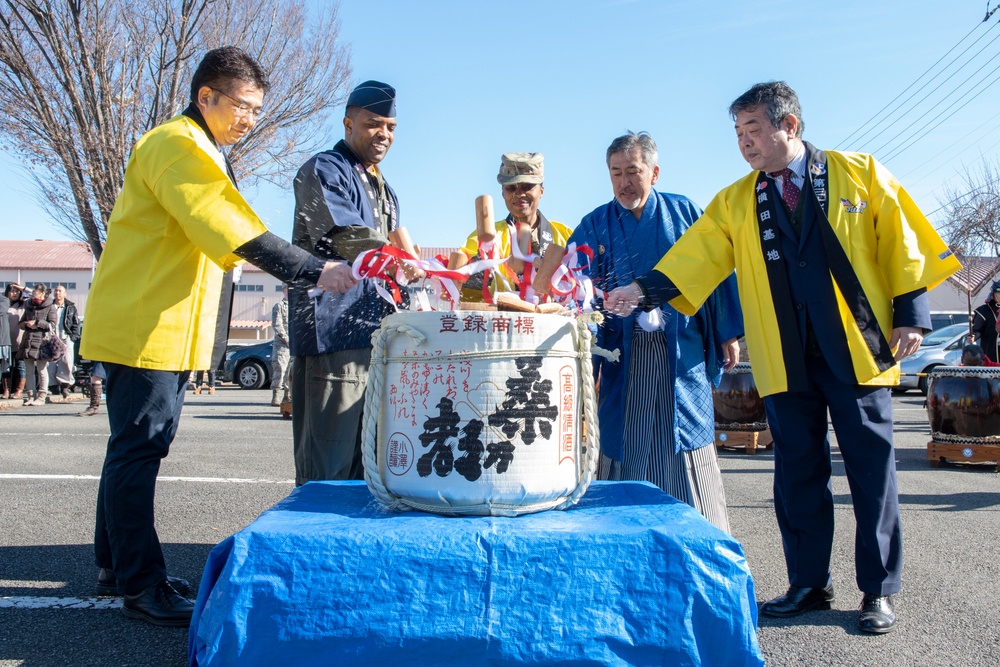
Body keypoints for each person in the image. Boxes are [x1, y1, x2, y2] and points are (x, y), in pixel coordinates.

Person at [606, 82, 961, 634]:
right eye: (739, 134)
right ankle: (808, 583)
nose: (745, 144)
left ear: (789, 125)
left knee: (870, 469)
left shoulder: (858, 173)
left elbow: (900, 236)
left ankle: (877, 590)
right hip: (783, 351)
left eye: (754, 130)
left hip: (856, 345)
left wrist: (910, 312)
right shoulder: (736, 199)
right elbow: (699, 253)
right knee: (797, 471)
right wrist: (644, 290)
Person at [80, 46, 356, 628]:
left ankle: (117, 566)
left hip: (157, 325)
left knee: (129, 447)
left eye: (256, 109)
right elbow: (226, 223)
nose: (249, 119)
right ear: (205, 96)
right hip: (146, 325)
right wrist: (314, 269)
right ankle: (142, 584)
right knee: (140, 448)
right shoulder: (176, 144)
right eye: (242, 106)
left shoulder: (195, 146)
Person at [567, 132, 743, 532]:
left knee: (685, 438)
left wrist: (727, 332)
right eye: (616, 173)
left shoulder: (686, 213)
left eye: (634, 171)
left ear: (655, 171)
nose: (625, 182)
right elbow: (572, 284)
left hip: (680, 349)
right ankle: (618, 536)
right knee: (622, 438)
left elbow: (716, 271)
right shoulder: (594, 224)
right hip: (620, 355)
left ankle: (701, 535)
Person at [288, 80, 401, 485]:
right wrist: (400, 260)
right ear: (348, 122)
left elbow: (392, 251)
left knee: (367, 462)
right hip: (330, 334)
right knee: (327, 464)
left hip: (374, 336)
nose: (383, 134)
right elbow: (346, 234)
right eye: (373, 124)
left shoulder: (384, 188)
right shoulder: (325, 168)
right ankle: (309, 546)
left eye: (390, 126)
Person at [450, 153, 572, 301]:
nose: (519, 194)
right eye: (511, 188)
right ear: (502, 193)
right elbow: (465, 294)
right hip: (502, 321)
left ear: (541, 191)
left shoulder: (564, 234)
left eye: (527, 187)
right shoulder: (485, 237)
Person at [18, 284, 59, 406]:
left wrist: (37, 322)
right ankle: (31, 395)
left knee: (41, 370)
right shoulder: (29, 305)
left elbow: (52, 324)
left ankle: (42, 396)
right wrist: (26, 324)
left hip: (42, 342)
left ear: (42, 293)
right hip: (28, 341)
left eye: (36, 291)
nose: (34, 293)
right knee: (29, 370)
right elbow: (20, 323)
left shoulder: (50, 307)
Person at [52, 285, 81, 398]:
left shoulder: (70, 307)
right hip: (52, 337)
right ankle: (53, 386)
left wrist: (74, 337)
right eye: (56, 291)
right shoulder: (50, 306)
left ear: (65, 293)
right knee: (51, 363)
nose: (57, 293)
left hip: (66, 336)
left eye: (60, 291)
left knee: (67, 361)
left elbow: (76, 323)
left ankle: (65, 386)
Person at [5, 283, 27, 400]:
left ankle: (19, 390)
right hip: (5, 341)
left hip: (20, 342)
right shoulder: (3, 304)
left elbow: (37, 296)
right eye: (12, 291)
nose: (14, 293)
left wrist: (22, 288)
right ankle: (6, 390)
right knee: (6, 366)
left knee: (20, 366)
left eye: (16, 291)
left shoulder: (24, 304)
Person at [970, 281, 1000, 362]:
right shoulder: (984, 310)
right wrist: (973, 336)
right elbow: (977, 330)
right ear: (993, 294)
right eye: (999, 293)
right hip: (991, 352)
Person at [270, 284, 290, 406]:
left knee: (290, 372)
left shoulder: (294, 307)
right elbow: (277, 325)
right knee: (280, 370)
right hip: (282, 345)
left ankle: (287, 396)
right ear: (284, 291)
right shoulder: (279, 306)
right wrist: (286, 339)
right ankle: (276, 396)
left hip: (293, 345)